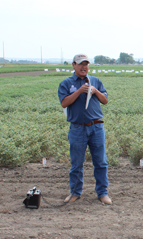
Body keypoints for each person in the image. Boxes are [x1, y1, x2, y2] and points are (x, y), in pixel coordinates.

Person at [57, 54, 111, 205]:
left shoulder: (95, 81)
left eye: (86, 64)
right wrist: (79, 91)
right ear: (73, 65)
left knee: (101, 162)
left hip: (97, 127)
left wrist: (95, 91)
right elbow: (64, 103)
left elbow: (105, 100)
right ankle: (75, 193)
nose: (84, 67)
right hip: (77, 128)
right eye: (81, 64)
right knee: (77, 164)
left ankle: (102, 193)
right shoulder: (66, 83)